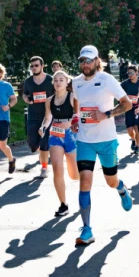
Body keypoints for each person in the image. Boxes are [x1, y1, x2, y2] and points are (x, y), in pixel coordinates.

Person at [72, 45, 133, 245]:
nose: (85, 64)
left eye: (89, 60)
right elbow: (77, 102)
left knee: (111, 181)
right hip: (84, 140)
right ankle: (87, 229)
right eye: (82, 60)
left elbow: (127, 104)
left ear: (97, 61)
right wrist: (75, 117)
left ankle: (122, 188)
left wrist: (106, 115)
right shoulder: (76, 82)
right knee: (85, 182)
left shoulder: (106, 79)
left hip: (106, 140)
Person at [40, 71, 80, 216]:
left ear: (67, 82)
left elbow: (79, 115)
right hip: (55, 135)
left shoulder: (72, 97)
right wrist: (43, 127)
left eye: (61, 80)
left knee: (74, 174)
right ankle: (63, 204)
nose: (58, 82)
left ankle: (84, 185)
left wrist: (70, 123)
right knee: (57, 168)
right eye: (55, 80)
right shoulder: (49, 100)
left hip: (71, 135)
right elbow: (47, 118)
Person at [22, 56, 54, 178]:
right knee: (33, 144)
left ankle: (44, 168)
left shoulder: (50, 80)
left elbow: (57, 93)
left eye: (36, 65)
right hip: (33, 115)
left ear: (42, 66)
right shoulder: (28, 81)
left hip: (47, 115)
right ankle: (41, 150)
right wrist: (26, 99)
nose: (34, 68)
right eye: (32, 66)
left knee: (45, 141)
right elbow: (25, 95)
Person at [120, 66, 139, 154]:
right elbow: (119, 95)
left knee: (137, 128)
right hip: (128, 109)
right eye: (128, 73)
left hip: (138, 109)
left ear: (136, 72)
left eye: (132, 73)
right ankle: (133, 140)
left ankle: (137, 146)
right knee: (129, 130)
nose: (130, 75)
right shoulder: (124, 84)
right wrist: (125, 98)